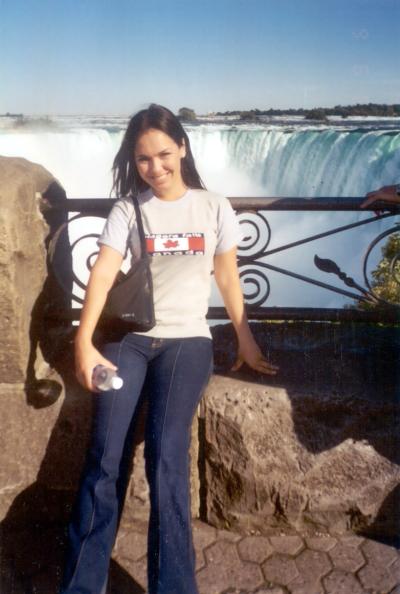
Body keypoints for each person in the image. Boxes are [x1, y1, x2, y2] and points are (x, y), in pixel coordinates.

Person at [59, 104, 278, 594]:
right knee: (104, 454)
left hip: (187, 342)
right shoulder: (128, 209)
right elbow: (101, 275)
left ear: (182, 147)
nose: (155, 168)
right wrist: (84, 344)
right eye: (142, 160)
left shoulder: (213, 206)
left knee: (166, 457)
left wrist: (245, 338)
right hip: (130, 339)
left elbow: (226, 274)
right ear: (132, 162)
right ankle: (79, 585)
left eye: (163, 154)